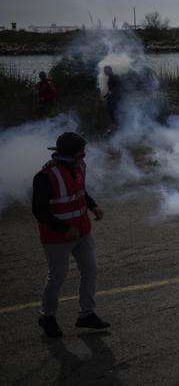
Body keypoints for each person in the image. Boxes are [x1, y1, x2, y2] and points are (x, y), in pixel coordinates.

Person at [33, 132, 110, 338]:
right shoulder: (45, 177)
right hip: (57, 238)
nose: (84, 155)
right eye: (80, 152)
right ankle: (47, 317)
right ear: (70, 154)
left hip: (82, 231)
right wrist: (64, 229)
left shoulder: (79, 167)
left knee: (90, 270)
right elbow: (39, 211)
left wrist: (93, 206)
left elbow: (79, 191)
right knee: (57, 276)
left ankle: (86, 314)